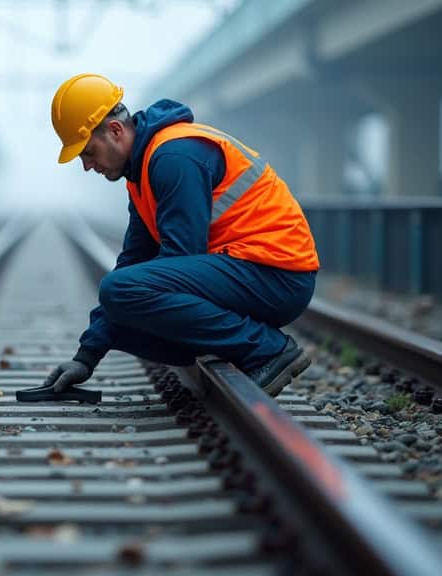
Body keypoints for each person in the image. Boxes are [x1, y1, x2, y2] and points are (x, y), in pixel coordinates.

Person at [16, 73, 319, 403]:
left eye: (88, 152)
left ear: (115, 131)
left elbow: (178, 257)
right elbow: (133, 260)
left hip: (275, 275)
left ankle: (269, 351)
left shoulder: (174, 156)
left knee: (121, 293)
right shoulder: (142, 172)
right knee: (124, 309)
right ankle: (249, 344)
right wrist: (86, 357)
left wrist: (118, 300)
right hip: (244, 272)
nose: (88, 166)